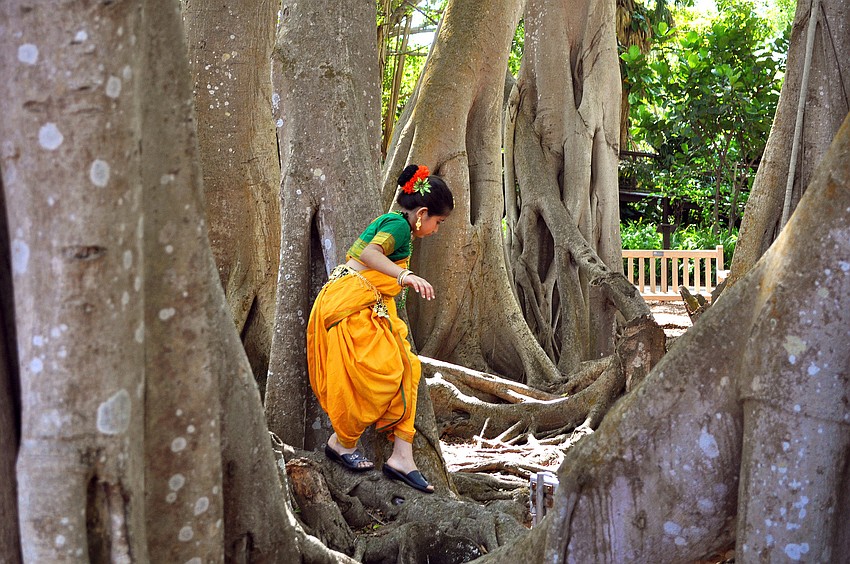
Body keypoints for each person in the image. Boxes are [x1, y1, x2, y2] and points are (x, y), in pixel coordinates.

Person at [306, 164, 454, 494]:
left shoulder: (402, 229)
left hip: (364, 307)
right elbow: (371, 254)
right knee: (376, 374)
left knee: (407, 368)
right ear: (423, 213)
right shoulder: (397, 226)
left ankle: (402, 457)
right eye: (438, 223)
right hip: (349, 306)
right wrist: (405, 277)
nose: (437, 230)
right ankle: (340, 442)